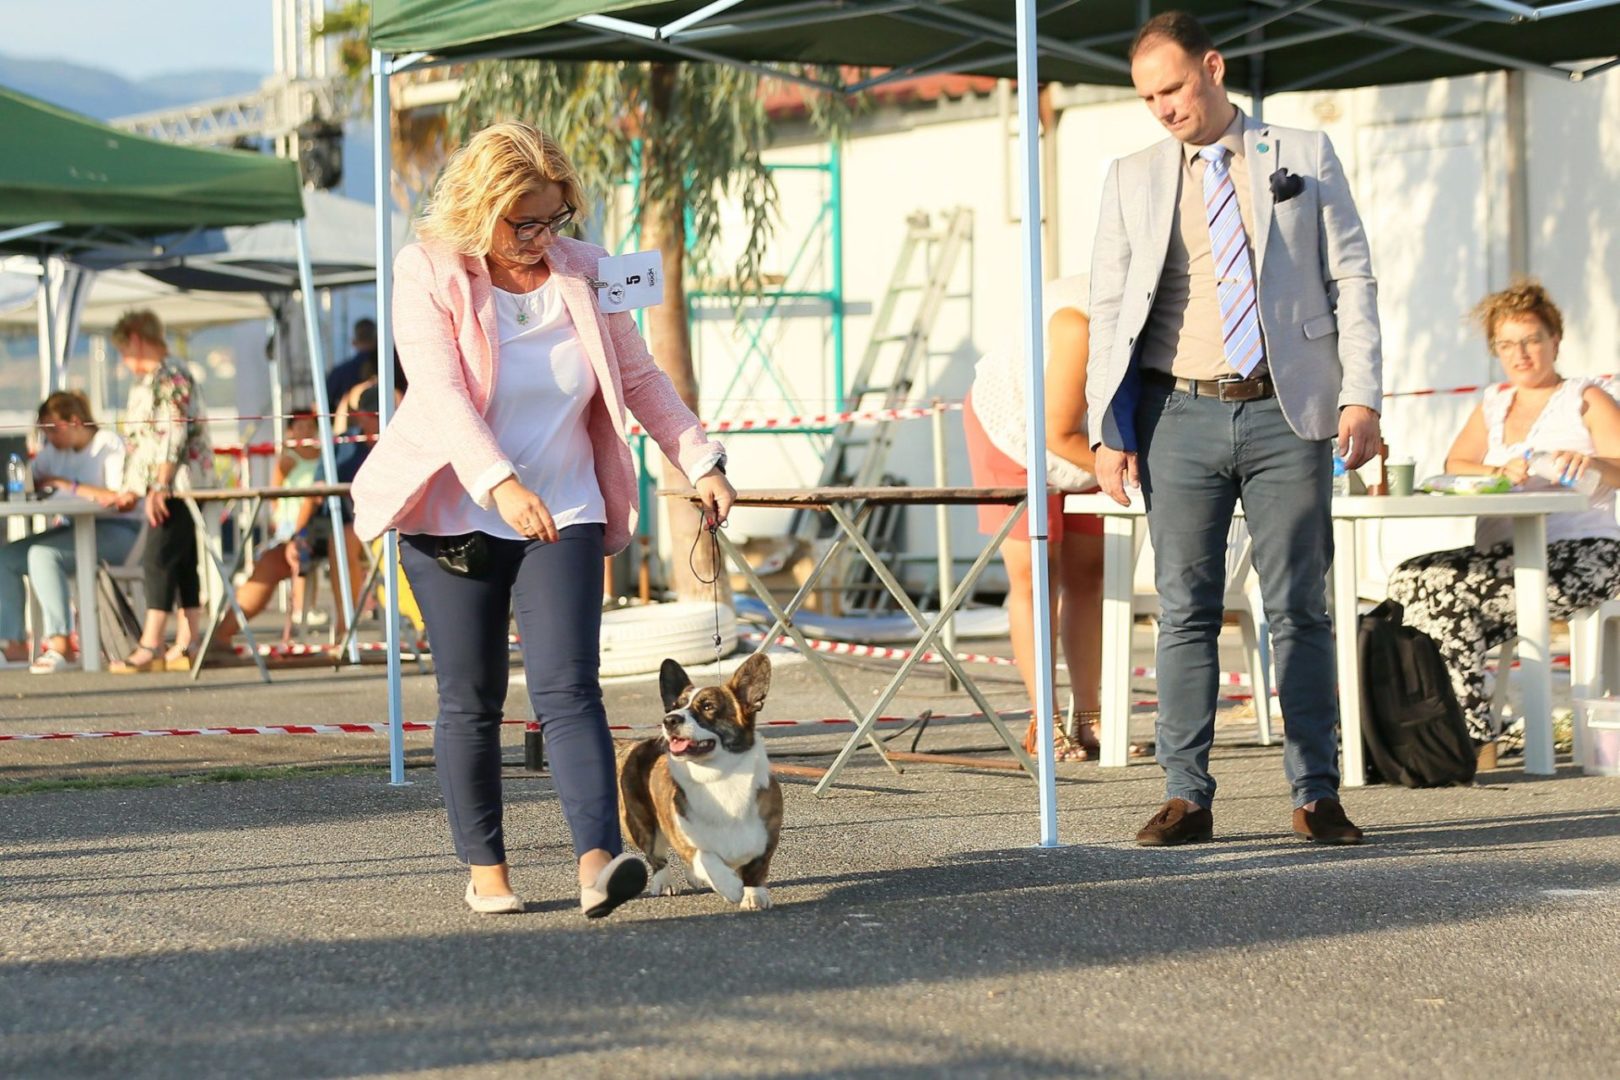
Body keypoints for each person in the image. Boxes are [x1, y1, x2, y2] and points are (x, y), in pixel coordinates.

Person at [351, 121, 735, 918]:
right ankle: (485, 869)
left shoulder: (591, 273)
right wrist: (498, 483)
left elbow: (642, 379)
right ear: (476, 208)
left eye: (552, 219)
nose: (538, 238)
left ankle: (600, 862)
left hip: (565, 507)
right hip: (455, 509)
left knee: (570, 687)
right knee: (472, 697)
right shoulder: (424, 269)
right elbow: (443, 393)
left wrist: (701, 460)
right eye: (520, 222)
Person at [1086, 12, 1382, 846]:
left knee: (1300, 609)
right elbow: (1109, 306)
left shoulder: (1304, 154)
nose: (1164, 109)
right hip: (1176, 412)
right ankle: (1188, 796)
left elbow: (1352, 276)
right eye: (1148, 98)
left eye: (1174, 88)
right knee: (1184, 609)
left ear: (1212, 68)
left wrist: (1364, 394)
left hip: (1290, 411)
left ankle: (1316, 794)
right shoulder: (1131, 175)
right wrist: (1106, 429)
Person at [1388, 282, 1620, 765]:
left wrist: (1592, 463)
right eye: (1507, 344)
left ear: (1556, 340)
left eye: (1532, 339)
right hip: (1503, 558)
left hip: (1584, 555)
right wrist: (1496, 471)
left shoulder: (1586, 397)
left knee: (1442, 591)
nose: (1521, 353)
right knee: (1411, 578)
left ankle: (1470, 740)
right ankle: (1453, 732)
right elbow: (1456, 463)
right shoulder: (1494, 402)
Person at [963, 273, 1140, 763]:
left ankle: (1089, 717)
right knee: (1038, 573)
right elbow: (1057, 434)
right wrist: (1135, 469)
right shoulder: (1075, 324)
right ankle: (1046, 719)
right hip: (1015, 431)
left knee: (1090, 571)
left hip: (1088, 440)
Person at [105, 310, 215, 674]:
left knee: (158, 558)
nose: (124, 359)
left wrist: (160, 484)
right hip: (169, 485)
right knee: (182, 561)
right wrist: (134, 487)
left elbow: (173, 434)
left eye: (123, 350)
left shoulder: (170, 376)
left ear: (135, 338)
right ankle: (188, 640)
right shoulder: (156, 378)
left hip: (176, 485)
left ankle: (151, 643)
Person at [0, 392, 142, 673]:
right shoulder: (54, 452)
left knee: (43, 555)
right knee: (6, 558)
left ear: (74, 422)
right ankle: (13, 644)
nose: (49, 438)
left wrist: (66, 484)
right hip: (75, 530)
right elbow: (34, 479)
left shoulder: (107, 445)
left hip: (120, 531)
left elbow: (118, 497)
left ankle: (61, 644)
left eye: (52, 429)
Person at [206, 409, 363, 652]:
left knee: (336, 544)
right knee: (275, 561)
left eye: (310, 427)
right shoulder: (323, 449)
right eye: (300, 427)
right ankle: (221, 637)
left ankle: (343, 635)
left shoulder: (345, 447)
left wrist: (297, 535)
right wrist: (290, 529)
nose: (306, 432)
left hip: (336, 527)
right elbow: (279, 492)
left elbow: (313, 497)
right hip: (303, 526)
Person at [324, 317, 379, 407]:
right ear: (377, 340)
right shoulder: (391, 371)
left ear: (354, 342)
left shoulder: (339, 373)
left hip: (346, 418)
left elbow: (325, 404)